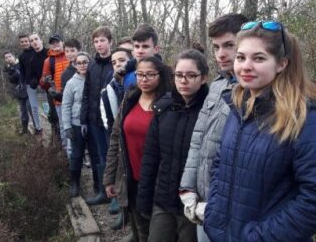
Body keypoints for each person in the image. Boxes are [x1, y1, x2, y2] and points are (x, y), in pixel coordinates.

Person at [203, 21, 316, 241]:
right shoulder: (239, 107)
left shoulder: (304, 118)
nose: (246, 66)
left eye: (259, 58)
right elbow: (220, 164)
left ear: (281, 64)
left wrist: (259, 237)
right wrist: (213, 216)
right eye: (241, 57)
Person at [179, 13, 248, 241]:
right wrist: (188, 188)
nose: (221, 54)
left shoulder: (255, 91)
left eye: (229, 45)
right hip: (204, 202)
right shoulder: (217, 86)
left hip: (233, 209)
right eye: (216, 46)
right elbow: (198, 138)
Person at [136, 50, 209, 242]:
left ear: (203, 78)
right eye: (179, 75)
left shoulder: (211, 111)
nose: (184, 80)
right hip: (163, 198)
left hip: (194, 204)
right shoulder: (164, 108)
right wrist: (144, 199)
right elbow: (150, 157)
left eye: (191, 75)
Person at [103, 56, 172, 242]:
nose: (144, 79)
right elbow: (116, 138)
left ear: (160, 75)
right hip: (130, 178)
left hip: (158, 182)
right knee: (140, 229)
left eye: (150, 75)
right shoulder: (130, 98)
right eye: (140, 74)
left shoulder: (169, 104)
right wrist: (109, 177)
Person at [100, 47, 133, 231]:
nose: (117, 64)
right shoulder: (115, 84)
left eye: (122, 60)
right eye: (114, 62)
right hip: (118, 132)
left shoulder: (135, 81)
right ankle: (126, 218)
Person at [80, 26, 114, 205]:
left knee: (113, 157)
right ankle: (103, 193)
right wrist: (83, 119)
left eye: (102, 40)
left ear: (110, 42)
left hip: (111, 121)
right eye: (96, 41)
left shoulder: (115, 64)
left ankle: (116, 199)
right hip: (94, 120)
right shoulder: (92, 65)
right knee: (100, 157)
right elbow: (86, 92)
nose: (99, 44)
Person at [61, 52, 94, 197]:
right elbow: (66, 105)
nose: (82, 65)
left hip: (93, 123)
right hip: (76, 124)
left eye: (85, 62)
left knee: (96, 155)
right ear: (75, 65)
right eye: (79, 62)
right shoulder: (71, 83)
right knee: (76, 155)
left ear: (89, 62)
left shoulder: (94, 79)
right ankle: (75, 183)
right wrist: (67, 126)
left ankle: (98, 185)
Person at [40, 33, 69, 147]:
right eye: (52, 43)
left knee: (79, 125)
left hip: (76, 97)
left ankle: (84, 154)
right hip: (59, 99)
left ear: (62, 42)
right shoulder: (48, 61)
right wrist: (45, 81)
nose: (55, 44)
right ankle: (68, 155)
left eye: (57, 41)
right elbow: (42, 83)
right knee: (63, 127)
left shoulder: (70, 55)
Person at [18, 33, 48, 135]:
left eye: (27, 41)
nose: (25, 43)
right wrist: (22, 83)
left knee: (46, 105)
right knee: (33, 107)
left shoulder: (43, 52)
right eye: (23, 42)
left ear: (40, 40)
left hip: (45, 83)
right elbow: (22, 72)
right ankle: (38, 128)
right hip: (30, 84)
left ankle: (51, 125)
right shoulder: (22, 56)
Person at [123, 24, 161, 92]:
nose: (140, 51)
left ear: (156, 49)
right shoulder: (126, 77)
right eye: (137, 46)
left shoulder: (166, 76)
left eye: (145, 46)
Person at [3, 51, 31, 134]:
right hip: (19, 92)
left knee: (31, 109)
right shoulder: (8, 69)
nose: (8, 59)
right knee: (23, 111)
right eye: (6, 58)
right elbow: (11, 80)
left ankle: (38, 129)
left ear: (13, 56)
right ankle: (25, 130)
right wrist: (11, 71)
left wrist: (14, 70)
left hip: (28, 90)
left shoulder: (20, 64)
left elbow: (23, 75)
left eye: (9, 56)